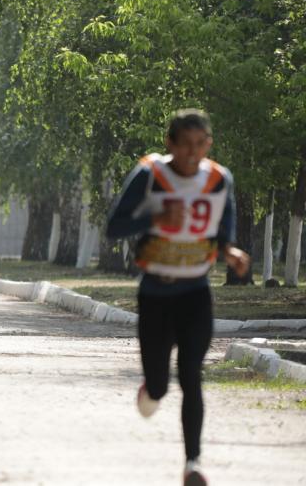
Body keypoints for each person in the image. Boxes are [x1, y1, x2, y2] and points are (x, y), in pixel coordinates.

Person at [105, 109, 249, 486]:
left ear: (209, 145)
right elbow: (114, 227)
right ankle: (151, 387)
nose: (192, 152)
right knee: (159, 386)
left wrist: (229, 252)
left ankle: (193, 464)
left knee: (191, 375)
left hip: (195, 290)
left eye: (200, 144)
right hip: (155, 290)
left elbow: (223, 227)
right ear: (170, 143)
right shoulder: (150, 174)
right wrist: (155, 220)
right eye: (185, 144)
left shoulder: (218, 179)